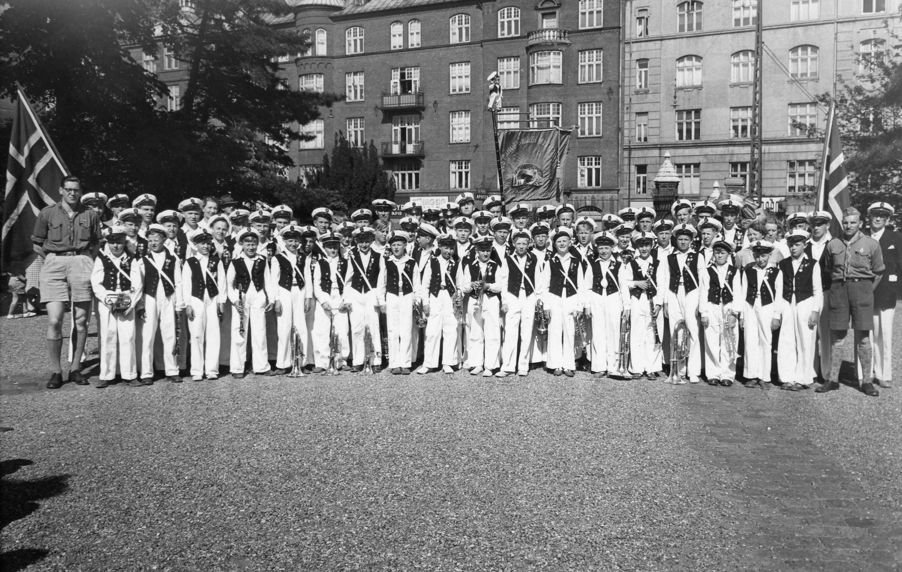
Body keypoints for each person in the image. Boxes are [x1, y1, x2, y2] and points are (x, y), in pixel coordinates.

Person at [31, 176, 103, 389]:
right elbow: (37, 243)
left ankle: (75, 369)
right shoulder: (48, 213)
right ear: (61, 190)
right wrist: (54, 259)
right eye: (68, 189)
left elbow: (96, 242)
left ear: (80, 192)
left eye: (76, 190)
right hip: (54, 262)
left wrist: (85, 260)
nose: (72, 193)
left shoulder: (90, 215)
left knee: (81, 320)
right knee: (54, 320)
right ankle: (55, 371)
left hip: (82, 260)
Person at [816, 208, 885, 396]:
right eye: (846, 222)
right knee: (837, 337)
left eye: (853, 222)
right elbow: (829, 268)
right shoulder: (833, 244)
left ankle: (867, 381)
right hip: (839, 289)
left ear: (860, 224)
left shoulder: (871, 244)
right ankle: (833, 379)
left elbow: (878, 271)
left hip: (862, 289)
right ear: (842, 223)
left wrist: (867, 290)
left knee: (863, 337)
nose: (849, 226)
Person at [91, 225, 143, 388]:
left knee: (128, 337)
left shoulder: (132, 258)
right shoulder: (102, 257)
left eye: (119, 242)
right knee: (108, 336)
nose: (116, 246)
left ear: (124, 242)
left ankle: (130, 374)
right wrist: (108, 300)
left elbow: (137, 283)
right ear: (108, 242)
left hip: (127, 298)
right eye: (112, 242)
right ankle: (106, 375)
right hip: (108, 299)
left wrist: (130, 302)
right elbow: (96, 282)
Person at [657, 223, 705, 384]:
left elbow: (703, 282)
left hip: (692, 293)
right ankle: (678, 368)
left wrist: (701, 304)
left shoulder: (698, 256)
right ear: (675, 240)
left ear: (691, 240)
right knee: (675, 332)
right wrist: (664, 302)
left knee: (692, 330)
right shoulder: (669, 257)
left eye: (686, 239)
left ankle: (693, 370)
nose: (683, 242)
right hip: (673, 293)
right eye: (680, 239)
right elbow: (663, 280)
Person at [775, 229, 822, 391]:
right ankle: (787, 377)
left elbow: (817, 290)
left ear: (804, 245)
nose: (793, 248)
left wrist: (815, 310)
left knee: (805, 341)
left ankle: (803, 378)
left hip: (805, 304)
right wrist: (778, 313)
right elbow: (779, 289)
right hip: (787, 304)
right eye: (791, 245)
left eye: (797, 244)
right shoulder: (783, 264)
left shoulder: (813, 264)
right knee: (786, 340)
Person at [137, 223, 183, 384]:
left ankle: (172, 370)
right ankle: (147, 373)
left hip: (168, 297)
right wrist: (140, 304)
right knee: (147, 335)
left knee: (170, 334)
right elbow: (139, 285)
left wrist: (179, 304)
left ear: (164, 239)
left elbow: (178, 282)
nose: (153, 243)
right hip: (150, 297)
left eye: (156, 239)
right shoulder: (142, 260)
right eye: (150, 240)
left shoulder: (173, 258)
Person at [228, 230, 276, 378]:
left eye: (253, 244)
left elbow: (268, 281)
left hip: (258, 296)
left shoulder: (262, 260)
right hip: (241, 297)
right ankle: (237, 368)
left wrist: (271, 299)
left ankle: (261, 366)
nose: (251, 247)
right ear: (242, 244)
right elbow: (229, 284)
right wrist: (235, 300)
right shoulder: (235, 261)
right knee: (239, 332)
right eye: (248, 244)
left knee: (259, 332)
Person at [497, 228, 544, 378]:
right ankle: (508, 366)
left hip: (529, 296)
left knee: (526, 331)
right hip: (513, 296)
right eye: (519, 243)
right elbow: (503, 282)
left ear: (529, 243)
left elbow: (538, 281)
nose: (522, 246)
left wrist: (538, 300)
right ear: (514, 244)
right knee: (510, 331)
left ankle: (523, 365)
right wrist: (504, 300)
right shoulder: (508, 259)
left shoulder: (534, 259)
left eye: (524, 243)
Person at [542, 226, 586, 377]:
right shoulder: (550, 261)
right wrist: (546, 305)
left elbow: (581, 285)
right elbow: (545, 285)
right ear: (554, 244)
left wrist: (580, 306)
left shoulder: (576, 261)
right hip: (554, 297)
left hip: (571, 298)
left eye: (564, 241)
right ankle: (555, 364)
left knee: (569, 331)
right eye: (559, 241)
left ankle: (568, 364)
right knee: (554, 330)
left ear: (570, 243)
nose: (562, 244)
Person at [183, 230, 226, 381]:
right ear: (195, 245)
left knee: (213, 334)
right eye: (202, 243)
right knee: (196, 334)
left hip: (213, 298)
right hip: (196, 299)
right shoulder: (190, 262)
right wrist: (187, 304)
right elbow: (186, 285)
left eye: (208, 243)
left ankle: (212, 369)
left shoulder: (216, 261)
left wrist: (221, 302)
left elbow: (222, 282)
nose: (206, 246)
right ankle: (196, 370)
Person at [418, 234, 464, 374]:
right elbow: (425, 284)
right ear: (440, 247)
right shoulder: (432, 262)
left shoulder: (456, 263)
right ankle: (429, 363)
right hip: (435, 296)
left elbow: (460, 284)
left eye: (451, 248)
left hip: (449, 297)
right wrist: (425, 303)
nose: (448, 251)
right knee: (432, 331)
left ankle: (448, 363)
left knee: (450, 329)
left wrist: (458, 297)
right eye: (445, 247)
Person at [738, 240, 781, 389]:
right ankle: (751, 375)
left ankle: (764, 376)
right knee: (750, 340)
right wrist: (742, 316)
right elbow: (743, 292)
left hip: (767, 307)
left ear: (769, 255)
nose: (760, 260)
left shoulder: (776, 272)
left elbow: (779, 295)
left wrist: (776, 316)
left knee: (766, 341)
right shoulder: (748, 271)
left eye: (763, 256)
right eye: (757, 256)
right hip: (750, 306)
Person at [271, 224, 313, 375]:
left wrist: (308, 297)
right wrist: (276, 299)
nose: (293, 244)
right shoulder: (277, 258)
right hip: (284, 292)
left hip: (300, 291)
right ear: (284, 241)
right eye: (290, 241)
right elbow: (273, 280)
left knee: (301, 326)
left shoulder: (303, 257)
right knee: (284, 327)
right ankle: (283, 364)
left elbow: (307, 277)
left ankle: (302, 362)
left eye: (295, 241)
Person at [867, 202, 901, 388]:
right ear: (870, 218)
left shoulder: (895, 238)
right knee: (869, 334)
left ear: (887, 219)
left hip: (887, 294)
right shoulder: (863, 238)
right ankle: (869, 371)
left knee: (885, 335)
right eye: (875, 215)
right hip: (867, 294)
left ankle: (884, 373)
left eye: (882, 216)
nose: (878, 219)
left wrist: (896, 291)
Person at [585, 231, 627, 378]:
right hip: (596, 299)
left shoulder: (619, 264)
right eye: (601, 248)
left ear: (612, 249)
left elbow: (623, 286)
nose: (603, 251)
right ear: (597, 248)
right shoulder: (592, 264)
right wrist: (587, 305)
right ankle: (599, 366)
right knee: (597, 333)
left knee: (613, 332)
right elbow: (587, 286)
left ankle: (613, 366)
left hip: (613, 299)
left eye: (606, 248)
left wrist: (626, 306)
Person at [699, 240, 741, 386]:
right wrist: (703, 313)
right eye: (717, 252)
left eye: (723, 253)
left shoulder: (734, 271)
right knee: (711, 339)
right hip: (712, 306)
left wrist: (735, 313)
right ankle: (713, 373)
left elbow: (738, 293)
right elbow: (703, 292)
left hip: (728, 306)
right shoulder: (707, 270)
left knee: (729, 339)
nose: (719, 255)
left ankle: (727, 374)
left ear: (728, 254)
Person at [343, 227, 384, 373]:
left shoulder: (379, 256)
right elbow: (347, 278)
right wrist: (347, 298)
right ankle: (358, 360)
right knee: (356, 328)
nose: (364, 245)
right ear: (356, 241)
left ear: (372, 241)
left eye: (367, 241)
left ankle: (376, 360)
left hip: (371, 293)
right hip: (355, 293)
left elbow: (380, 281)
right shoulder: (351, 255)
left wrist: (380, 300)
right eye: (361, 242)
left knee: (373, 327)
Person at [460, 236, 502, 376]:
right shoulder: (469, 265)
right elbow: (464, 286)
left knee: (492, 333)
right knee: (475, 332)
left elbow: (500, 285)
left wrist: (488, 285)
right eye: (482, 250)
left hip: (491, 300)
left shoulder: (495, 265)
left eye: (488, 250)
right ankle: (476, 363)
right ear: (476, 250)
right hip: (475, 299)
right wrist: (472, 285)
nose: (485, 254)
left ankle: (491, 365)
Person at [624, 231, 664, 379]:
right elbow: (625, 283)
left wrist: (659, 304)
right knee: (637, 333)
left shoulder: (658, 263)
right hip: (637, 300)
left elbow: (662, 285)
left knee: (652, 334)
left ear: (652, 245)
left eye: (647, 245)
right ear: (637, 247)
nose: (644, 249)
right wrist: (636, 283)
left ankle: (652, 368)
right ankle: (637, 368)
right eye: (641, 245)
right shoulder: (631, 263)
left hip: (652, 301)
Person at [311, 231, 351, 373]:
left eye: (335, 246)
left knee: (342, 330)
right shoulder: (319, 263)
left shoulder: (345, 262)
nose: (333, 250)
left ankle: (342, 360)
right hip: (325, 296)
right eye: (329, 247)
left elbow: (349, 283)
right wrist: (323, 301)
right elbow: (316, 284)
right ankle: (322, 362)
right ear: (324, 247)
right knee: (321, 330)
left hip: (340, 296)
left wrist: (345, 300)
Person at [382, 231, 419, 374]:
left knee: (406, 330)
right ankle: (394, 363)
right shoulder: (387, 261)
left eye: (399, 244)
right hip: (392, 296)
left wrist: (417, 300)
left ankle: (405, 362)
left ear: (405, 246)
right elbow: (382, 283)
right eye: (393, 245)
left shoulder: (411, 262)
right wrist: (382, 301)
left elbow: (417, 283)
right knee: (392, 330)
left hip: (407, 296)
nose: (396, 248)